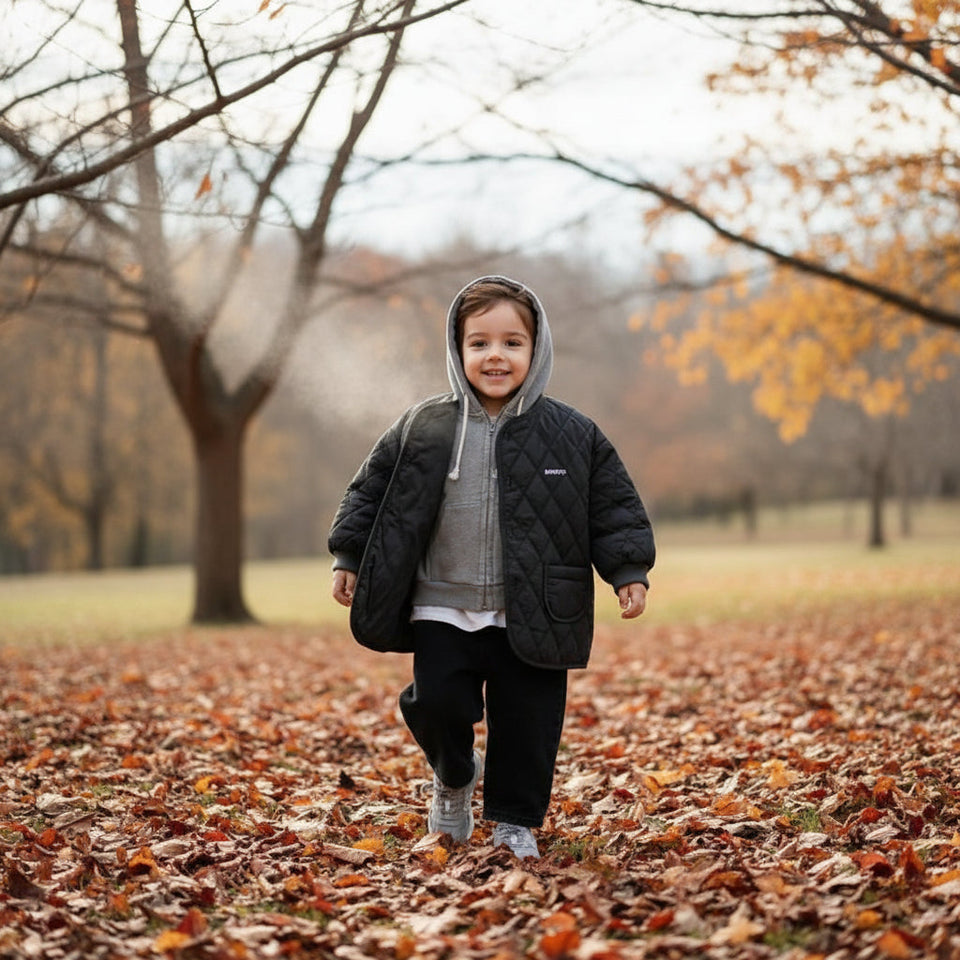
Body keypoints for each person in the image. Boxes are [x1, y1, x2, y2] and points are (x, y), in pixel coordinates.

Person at [329, 275, 655, 859]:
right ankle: (455, 775)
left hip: (532, 605)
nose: (495, 356)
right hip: (441, 604)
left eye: (512, 342)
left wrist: (627, 568)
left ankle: (513, 820)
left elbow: (612, 505)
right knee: (436, 704)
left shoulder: (572, 434)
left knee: (529, 721)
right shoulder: (424, 425)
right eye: (479, 343)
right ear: (458, 351)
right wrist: (349, 555)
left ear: (537, 349)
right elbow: (370, 491)